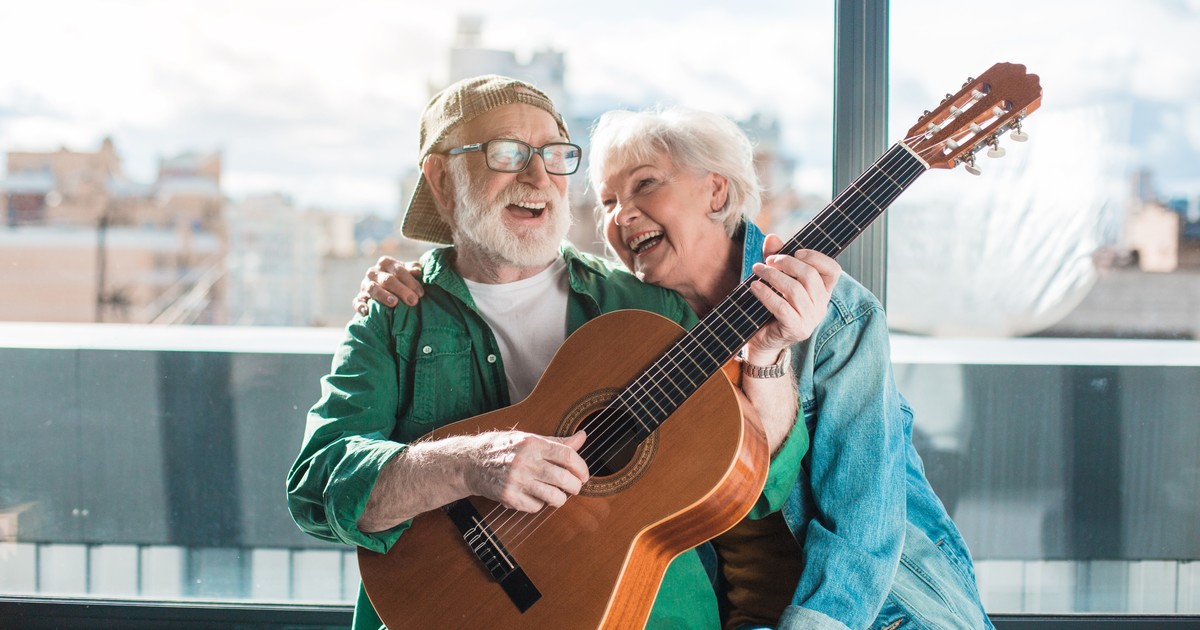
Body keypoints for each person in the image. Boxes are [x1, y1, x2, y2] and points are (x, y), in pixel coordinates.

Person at [359, 107, 993, 629]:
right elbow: (500, 275)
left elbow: (865, 522)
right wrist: (407, 277)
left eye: (644, 185)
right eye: (606, 201)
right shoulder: (619, 317)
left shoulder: (835, 313)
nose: (620, 215)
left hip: (868, 609)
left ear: (715, 190)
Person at [288, 76, 836, 630]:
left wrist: (767, 354)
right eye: (507, 153)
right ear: (443, 180)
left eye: (554, 155)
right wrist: (465, 465)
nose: (538, 176)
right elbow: (316, 486)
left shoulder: (645, 311)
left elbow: (760, 485)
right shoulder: (394, 314)